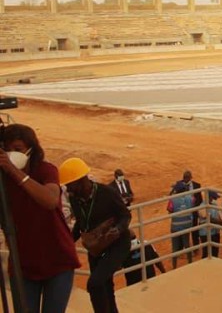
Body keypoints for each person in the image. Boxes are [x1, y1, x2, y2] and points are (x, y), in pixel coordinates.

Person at [1, 124, 80, 313]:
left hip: (57, 260)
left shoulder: (46, 170)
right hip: (24, 263)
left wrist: (14, 171)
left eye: (18, 149)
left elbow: (50, 200)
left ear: (30, 150)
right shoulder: (3, 180)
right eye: (8, 149)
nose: (12, 154)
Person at [60, 157, 131, 313]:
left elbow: (125, 215)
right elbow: (81, 222)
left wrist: (118, 229)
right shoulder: (75, 199)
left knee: (94, 284)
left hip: (117, 244)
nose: (68, 190)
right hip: (96, 248)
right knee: (105, 287)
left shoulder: (107, 193)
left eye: (69, 185)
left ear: (80, 181)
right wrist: (68, 241)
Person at [171, 171, 203, 249]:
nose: (186, 179)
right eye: (185, 178)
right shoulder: (178, 184)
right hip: (182, 211)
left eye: (187, 178)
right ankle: (181, 248)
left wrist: (195, 207)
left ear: (190, 178)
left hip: (193, 211)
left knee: (194, 229)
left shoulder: (197, 185)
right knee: (182, 230)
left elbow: (200, 199)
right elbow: (171, 195)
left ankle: (195, 247)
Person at [167, 181, 194, 269]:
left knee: (175, 246)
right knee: (187, 243)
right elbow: (193, 205)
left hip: (175, 225)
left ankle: (174, 266)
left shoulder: (173, 199)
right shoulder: (190, 197)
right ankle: (190, 262)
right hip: (187, 224)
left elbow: (170, 210)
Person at [199, 190, 222, 258]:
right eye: (213, 197)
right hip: (205, 233)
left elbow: (220, 217)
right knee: (206, 253)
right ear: (209, 197)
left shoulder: (214, 204)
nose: (214, 199)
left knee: (215, 252)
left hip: (215, 232)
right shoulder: (202, 207)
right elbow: (211, 219)